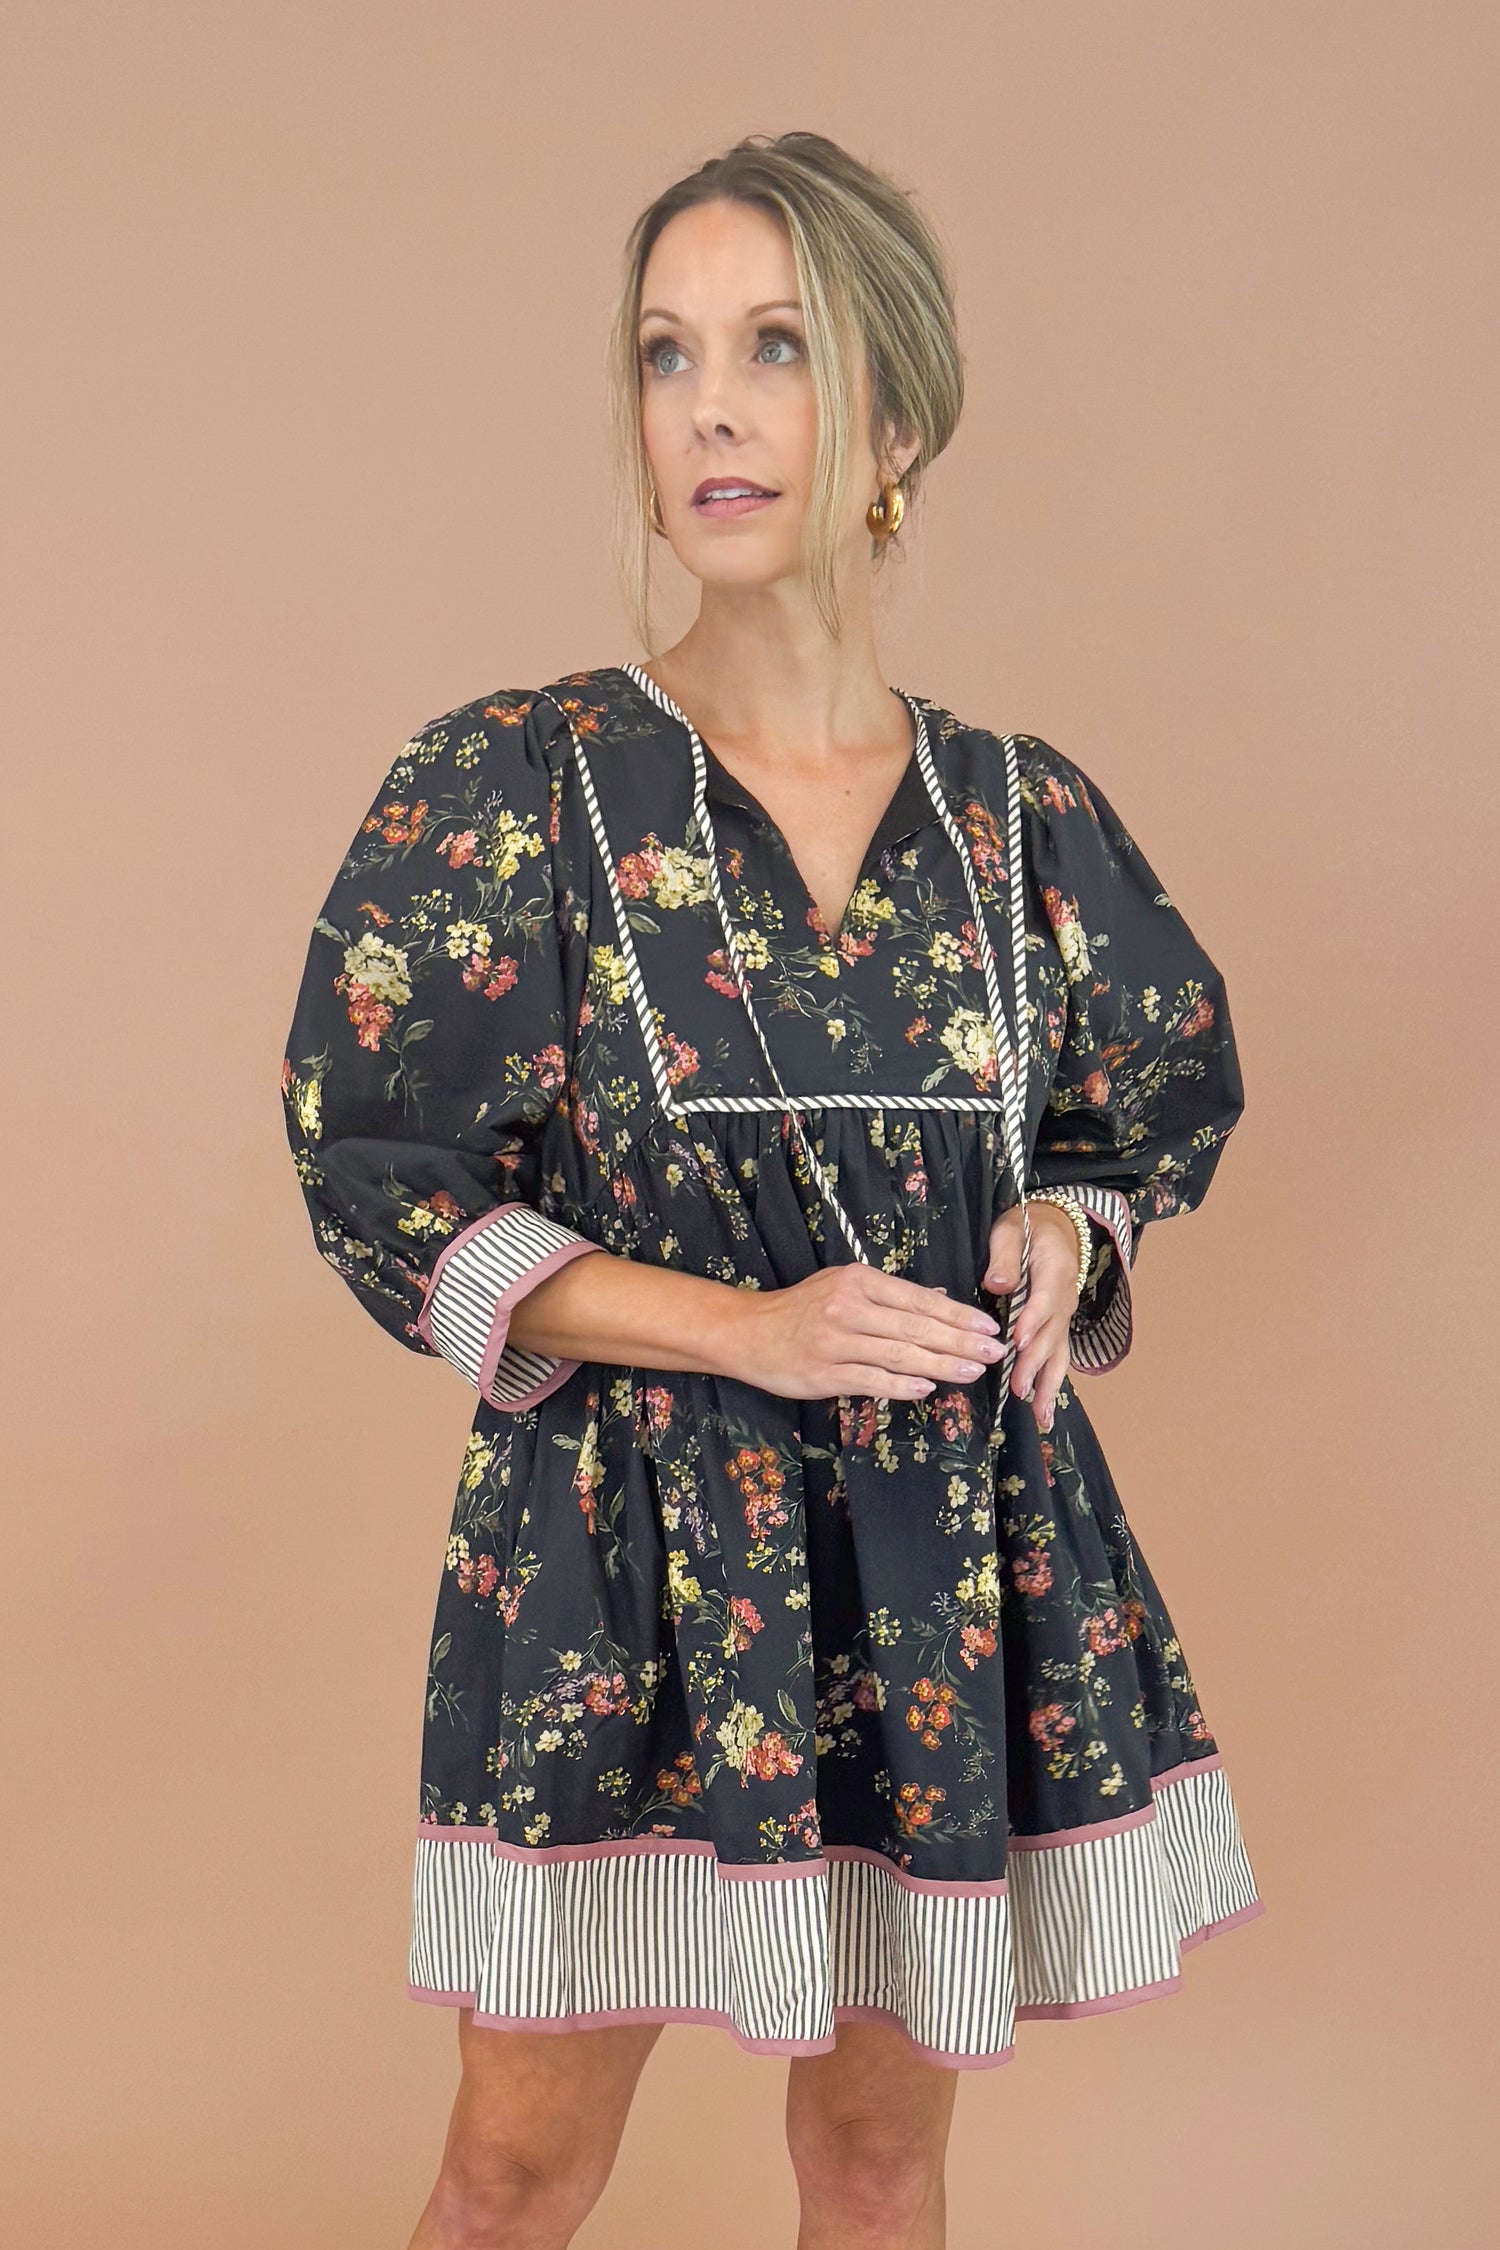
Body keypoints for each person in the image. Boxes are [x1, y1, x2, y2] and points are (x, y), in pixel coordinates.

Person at [281, 131, 1265, 2250]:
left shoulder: (1023, 821)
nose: (708, 406)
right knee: (519, 2165)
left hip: (934, 1572)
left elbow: (1137, 1113)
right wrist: (743, 1331)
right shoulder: (514, 785)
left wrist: (1060, 1229)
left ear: (894, 417)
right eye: (665, 353)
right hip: (618, 1573)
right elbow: (384, 1176)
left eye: (775, 349)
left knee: (881, 2159)